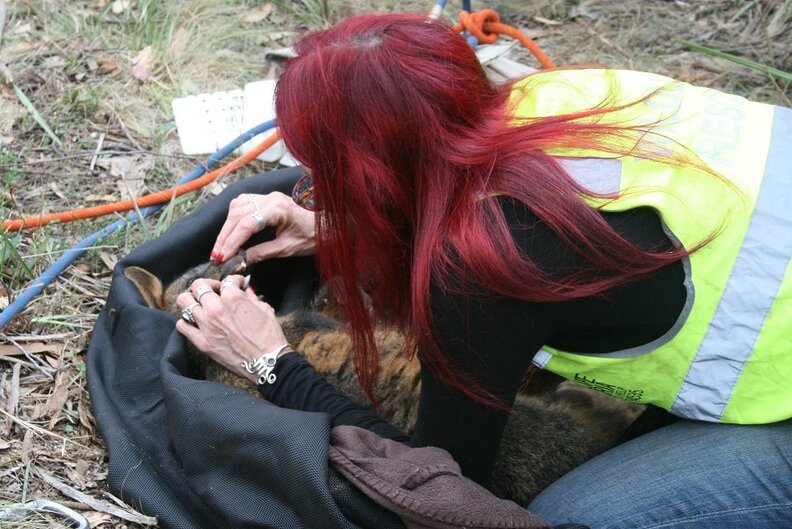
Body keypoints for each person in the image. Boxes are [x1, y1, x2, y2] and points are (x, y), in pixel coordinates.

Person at [174, 12, 792, 529]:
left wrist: (269, 362)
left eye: (326, 174)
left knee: (562, 516)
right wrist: (341, 224)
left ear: (371, 174)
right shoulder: (562, 93)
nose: (316, 186)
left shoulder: (478, 275)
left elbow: (440, 487)